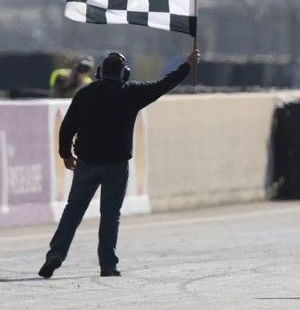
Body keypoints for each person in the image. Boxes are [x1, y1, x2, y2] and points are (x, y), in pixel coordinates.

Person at [39, 49, 200, 278]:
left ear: (100, 73)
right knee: (110, 214)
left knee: (73, 211)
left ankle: (55, 255)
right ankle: (108, 265)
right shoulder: (132, 93)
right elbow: (164, 84)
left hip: (87, 162)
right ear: (124, 73)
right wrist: (187, 66)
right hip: (116, 164)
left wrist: (65, 154)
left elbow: (67, 127)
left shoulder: (84, 94)